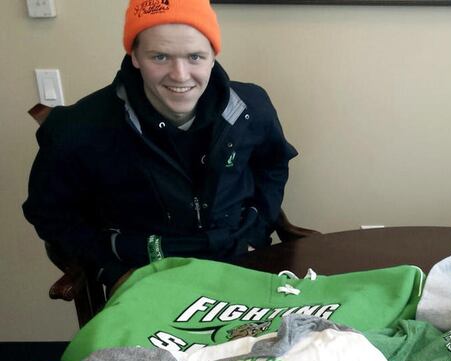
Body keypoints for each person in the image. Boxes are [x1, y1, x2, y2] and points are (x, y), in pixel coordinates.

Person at [22, 0, 297, 295]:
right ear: (135, 56)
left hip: (240, 265)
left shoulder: (250, 107)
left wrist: (254, 233)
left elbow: (273, 167)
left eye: (195, 57)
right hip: (142, 281)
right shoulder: (78, 129)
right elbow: (51, 214)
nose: (180, 75)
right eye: (160, 57)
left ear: (213, 56)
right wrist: (111, 272)